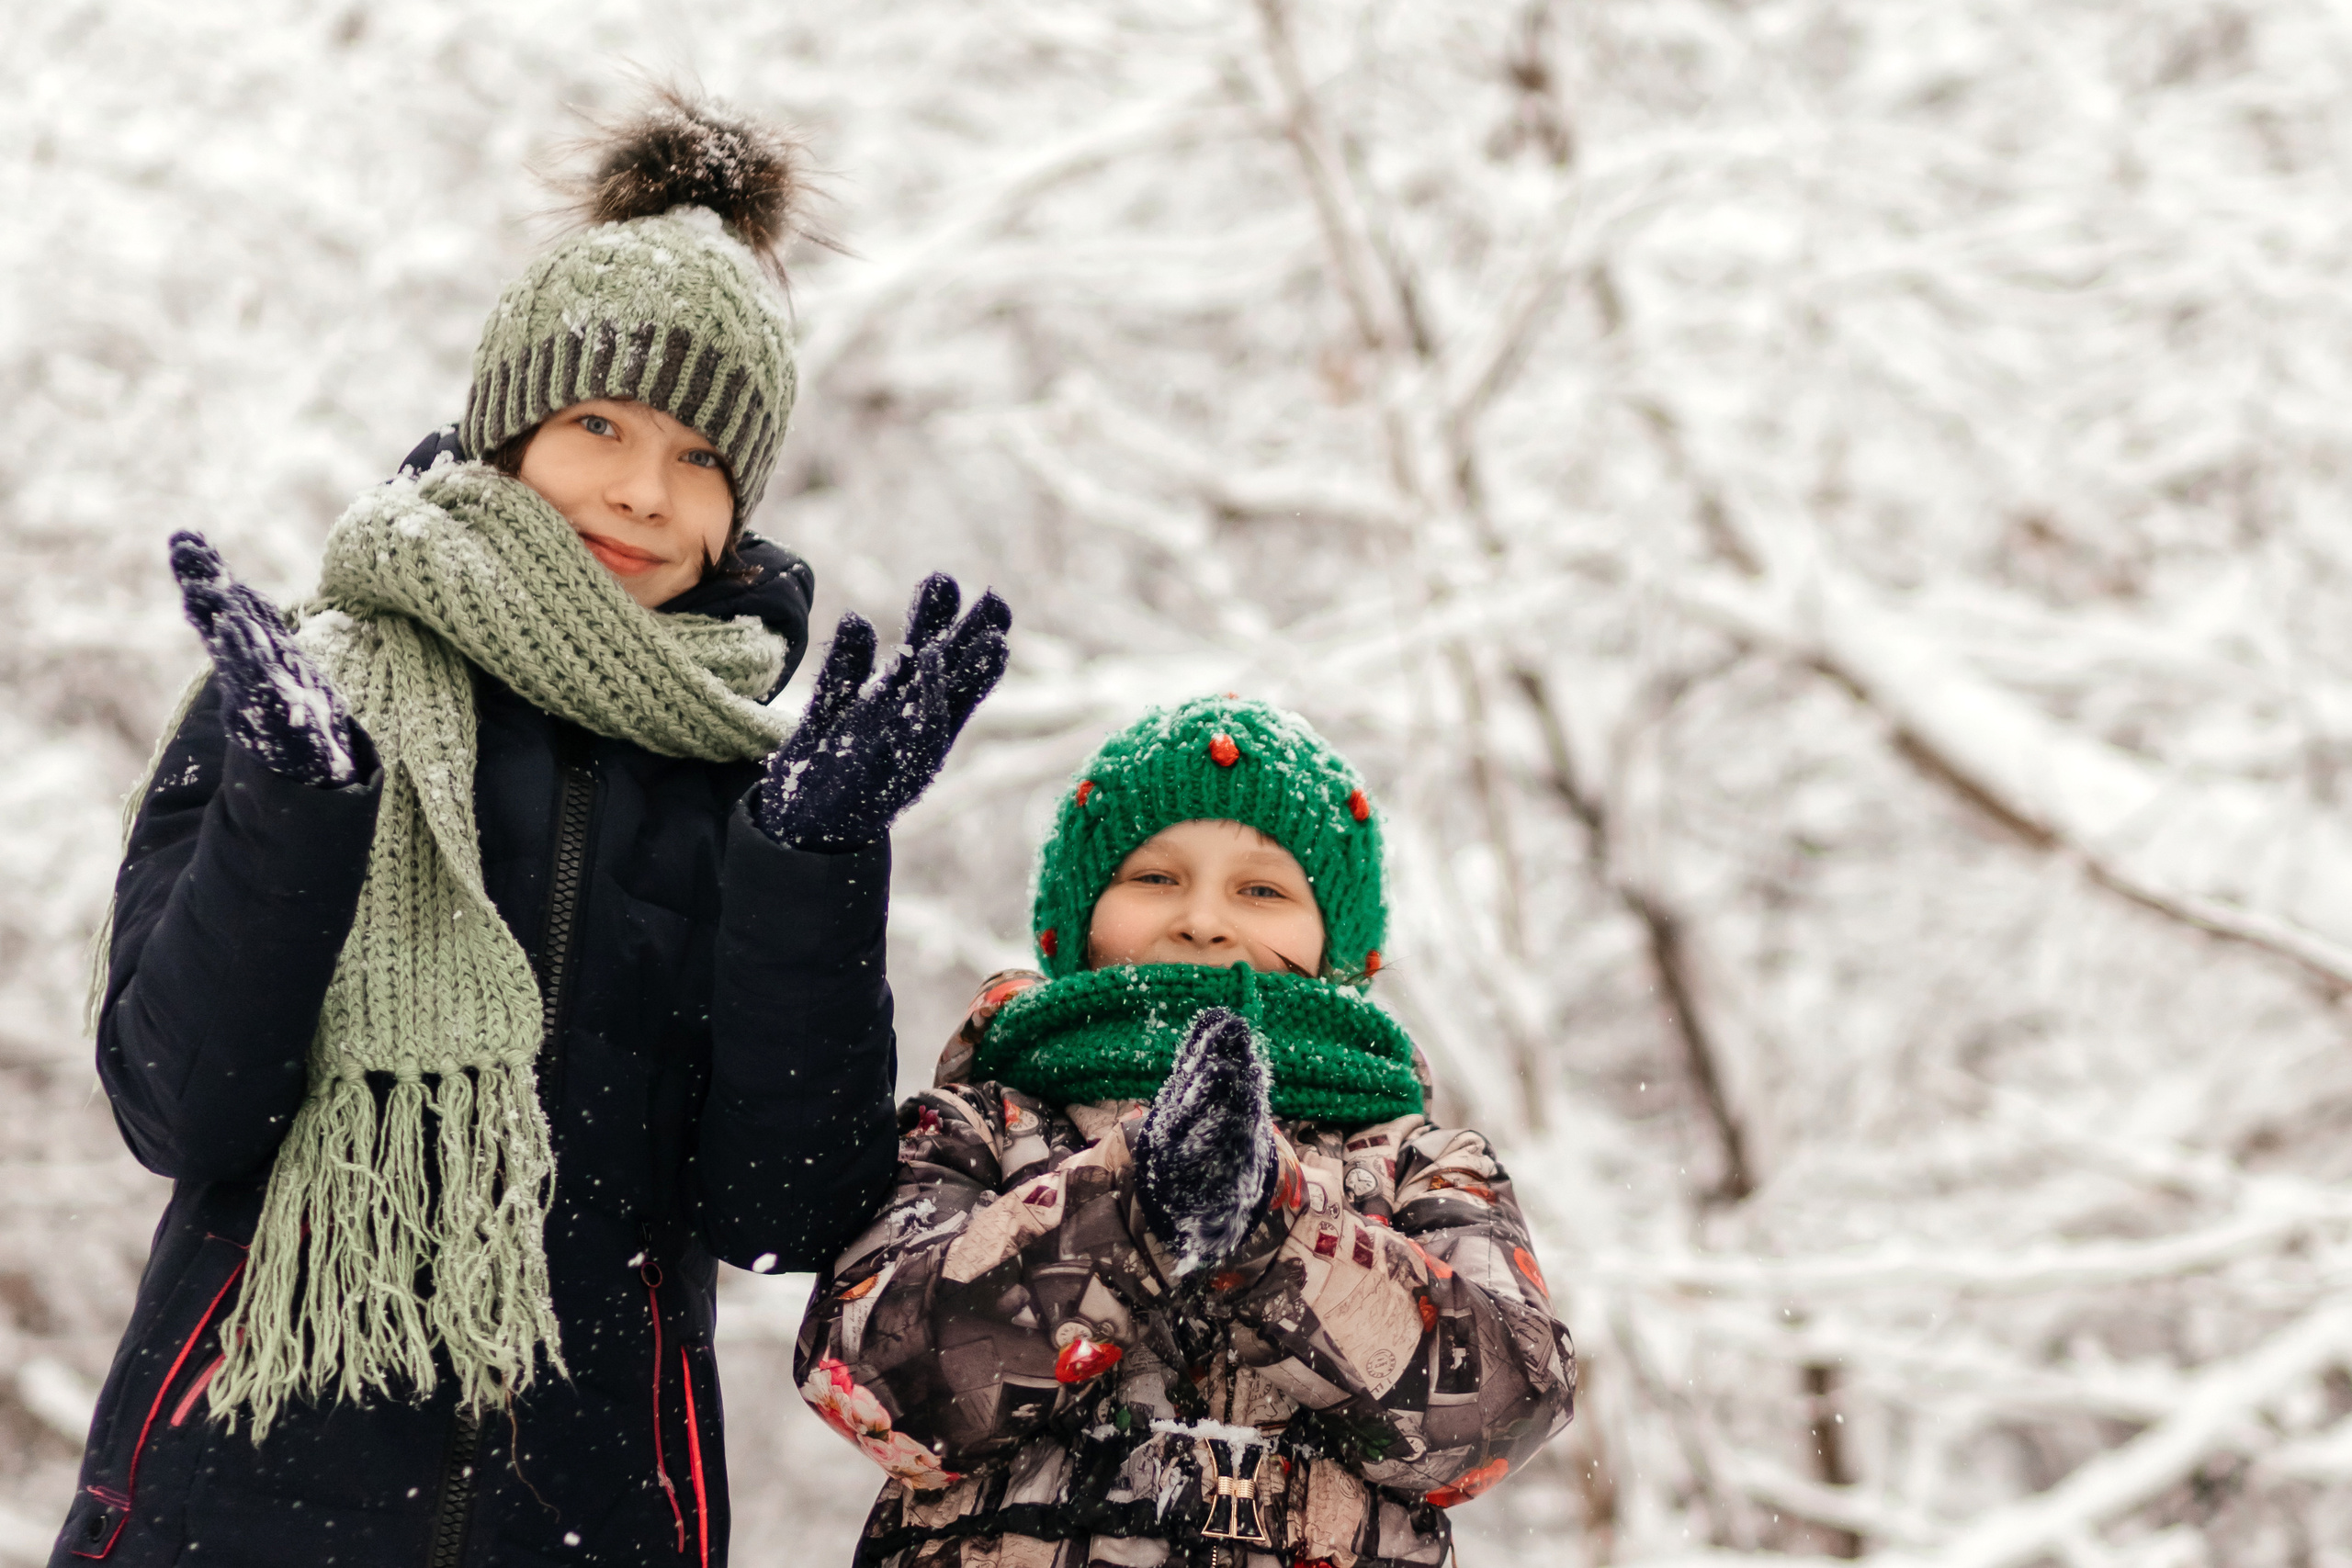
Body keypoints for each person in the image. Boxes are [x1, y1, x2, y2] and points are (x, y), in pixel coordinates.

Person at [53, 94, 1008, 1568]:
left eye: (700, 456)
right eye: (599, 424)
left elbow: (782, 1213)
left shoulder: (744, 792)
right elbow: (175, 1103)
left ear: (742, 501)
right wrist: (293, 815)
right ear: (509, 429)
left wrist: (812, 869)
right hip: (230, 1502)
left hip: (592, 1517)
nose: (641, 488)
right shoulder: (316, 695)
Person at [797, 697, 1573, 1568]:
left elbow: (1502, 1411)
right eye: (1156, 878)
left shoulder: (1414, 1163)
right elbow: (868, 1379)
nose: (1204, 919)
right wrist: (1129, 1205)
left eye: (1263, 890)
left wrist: (1276, 1229)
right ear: (1081, 920)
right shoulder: (982, 1123)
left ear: (1334, 943)